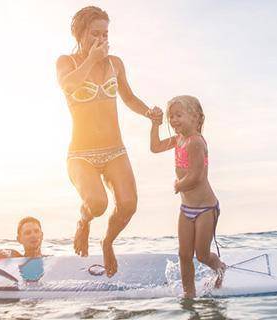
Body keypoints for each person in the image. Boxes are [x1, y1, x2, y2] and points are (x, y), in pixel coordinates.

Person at [55, 6, 163, 277]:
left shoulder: (115, 63)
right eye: (94, 33)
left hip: (115, 150)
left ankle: (107, 242)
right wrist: (91, 59)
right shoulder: (65, 62)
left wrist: (148, 112)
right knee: (98, 204)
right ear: (79, 34)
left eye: (105, 33)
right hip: (81, 154)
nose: (101, 39)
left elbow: (128, 97)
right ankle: (84, 220)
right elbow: (69, 86)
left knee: (128, 205)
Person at [149, 95, 226, 298]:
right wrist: (155, 124)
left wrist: (179, 184)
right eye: (170, 116)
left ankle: (219, 266)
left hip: (205, 208)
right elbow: (155, 147)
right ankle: (188, 293)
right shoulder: (178, 140)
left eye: (178, 115)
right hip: (186, 208)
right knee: (184, 255)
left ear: (194, 117)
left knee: (201, 255)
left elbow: (197, 176)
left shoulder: (196, 143)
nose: (173, 120)